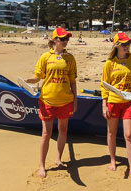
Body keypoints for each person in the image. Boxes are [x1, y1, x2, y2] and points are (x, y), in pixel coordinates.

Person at [24, 27, 77, 178]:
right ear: (54, 40)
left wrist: (75, 99)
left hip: (65, 100)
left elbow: (72, 81)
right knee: (46, 133)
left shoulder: (70, 58)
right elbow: (38, 77)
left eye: (67, 38)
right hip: (47, 100)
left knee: (63, 130)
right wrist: (28, 80)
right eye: (62, 39)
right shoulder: (45, 57)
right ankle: (42, 165)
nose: (65, 41)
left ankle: (58, 158)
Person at [101, 32, 131, 180]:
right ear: (117, 45)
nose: (127, 46)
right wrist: (104, 105)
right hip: (113, 102)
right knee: (111, 133)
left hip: (129, 102)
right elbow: (104, 85)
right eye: (124, 44)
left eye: (129, 44)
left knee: (129, 135)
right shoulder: (109, 63)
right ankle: (113, 160)